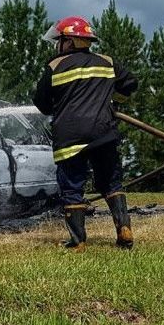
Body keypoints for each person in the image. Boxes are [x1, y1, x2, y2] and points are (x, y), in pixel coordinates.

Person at [33, 16, 138, 251]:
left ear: (69, 41)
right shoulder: (107, 62)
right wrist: (113, 101)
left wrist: (59, 105)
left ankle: (78, 242)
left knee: (72, 187)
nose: (57, 46)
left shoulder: (55, 66)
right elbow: (131, 83)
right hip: (104, 133)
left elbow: (41, 103)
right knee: (111, 182)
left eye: (59, 41)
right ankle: (124, 228)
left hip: (70, 138)